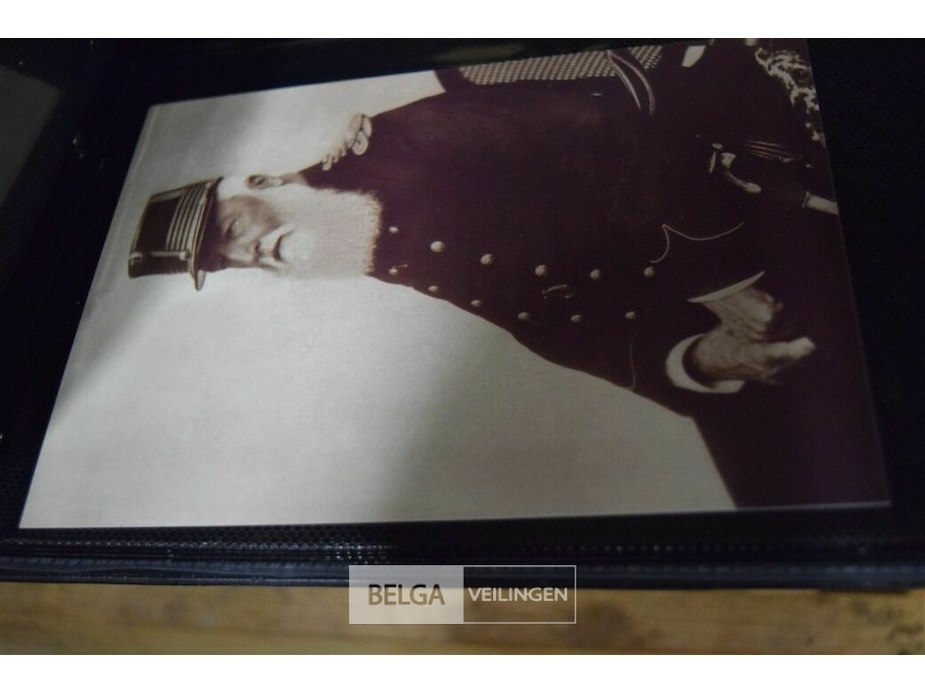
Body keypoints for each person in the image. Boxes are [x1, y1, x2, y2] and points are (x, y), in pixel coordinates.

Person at [128, 41, 888, 507]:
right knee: (777, 504)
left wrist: (720, 280)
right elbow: (545, 318)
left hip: (748, 241)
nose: (251, 254)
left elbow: (617, 128)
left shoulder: (403, 146)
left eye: (233, 231)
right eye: (229, 261)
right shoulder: (360, 233)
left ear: (261, 183)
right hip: (700, 330)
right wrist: (694, 360)